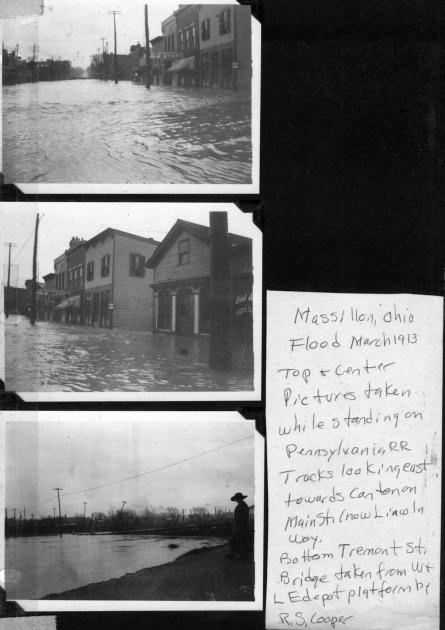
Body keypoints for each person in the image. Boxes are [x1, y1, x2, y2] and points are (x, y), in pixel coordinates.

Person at [227, 491, 250, 559]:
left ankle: (243, 555)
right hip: (237, 526)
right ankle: (233, 553)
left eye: (237, 499)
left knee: (241, 540)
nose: (236, 500)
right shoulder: (240, 505)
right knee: (233, 539)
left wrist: (243, 526)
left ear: (240, 498)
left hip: (241, 526)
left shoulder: (243, 506)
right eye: (236, 499)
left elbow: (245, 517)